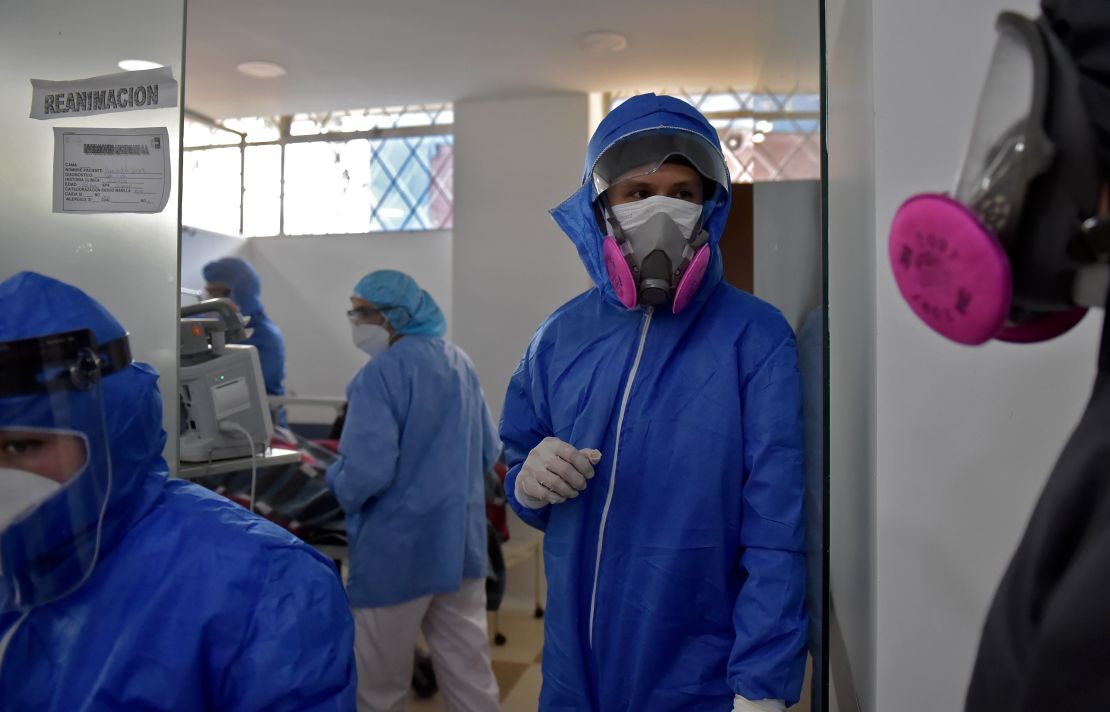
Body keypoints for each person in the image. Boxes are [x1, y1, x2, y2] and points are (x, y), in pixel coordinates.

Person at [501, 94, 808, 711]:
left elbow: (777, 530)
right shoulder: (557, 338)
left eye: (682, 191)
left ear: (708, 206)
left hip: (699, 682)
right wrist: (526, 483)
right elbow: (518, 461)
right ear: (601, 208)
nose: (661, 208)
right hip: (569, 675)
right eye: (637, 193)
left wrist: (762, 686)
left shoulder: (755, 336)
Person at [0, 272, 355, 711]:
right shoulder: (17, 565)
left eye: (21, 445)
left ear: (110, 431)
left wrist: (346, 484)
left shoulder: (263, 589)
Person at [326, 270, 501, 712]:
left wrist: (336, 480)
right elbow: (488, 452)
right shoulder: (458, 362)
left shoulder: (378, 376)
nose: (354, 321)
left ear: (392, 317)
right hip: (459, 544)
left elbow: (368, 473)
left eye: (360, 312)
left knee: (380, 687)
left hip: (397, 553)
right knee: (470, 673)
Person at [202, 256, 286, 398]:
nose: (211, 299)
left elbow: (257, 390)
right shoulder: (205, 326)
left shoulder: (266, 338)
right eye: (209, 291)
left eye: (217, 292)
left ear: (243, 293)